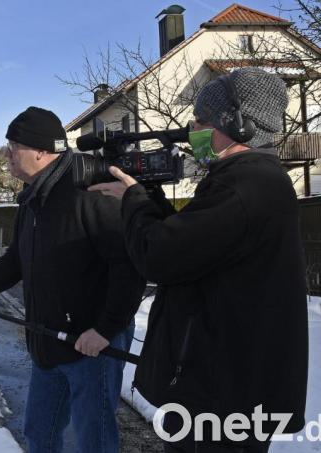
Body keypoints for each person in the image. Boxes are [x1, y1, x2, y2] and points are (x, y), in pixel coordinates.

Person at [90, 68, 308, 452]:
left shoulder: (245, 185)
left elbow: (159, 257)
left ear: (238, 124)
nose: (194, 128)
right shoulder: (252, 181)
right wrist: (149, 199)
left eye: (203, 119)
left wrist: (134, 200)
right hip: (229, 384)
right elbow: (193, 244)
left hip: (223, 395)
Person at [0, 106, 146, 452]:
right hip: (47, 345)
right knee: (39, 436)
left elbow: (130, 267)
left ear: (42, 151)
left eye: (13, 145)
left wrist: (105, 330)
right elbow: (16, 260)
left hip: (91, 347)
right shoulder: (32, 199)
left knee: (96, 442)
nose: (6, 154)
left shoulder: (90, 193)